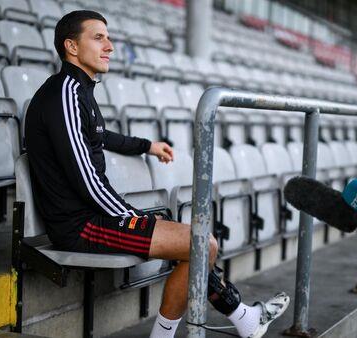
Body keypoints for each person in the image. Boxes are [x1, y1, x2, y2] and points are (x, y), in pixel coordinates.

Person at [24, 10, 289, 338]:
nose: (110, 46)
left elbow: (99, 136)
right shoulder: (63, 93)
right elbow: (85, 178)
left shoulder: (79, 92)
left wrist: (147, 145)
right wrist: (134, 217)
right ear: (71, 47)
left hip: (93, 216)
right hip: (80, 225)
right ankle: (234, 317)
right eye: (98, 37)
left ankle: (242, 317)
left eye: (108, 37)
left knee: (200, 245)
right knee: (200, 245)